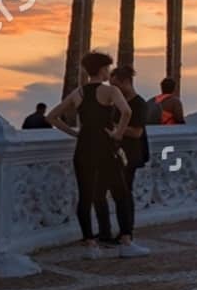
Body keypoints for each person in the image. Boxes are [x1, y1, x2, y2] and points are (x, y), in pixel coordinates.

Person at [46, 51, 139, 257]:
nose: (108, 72)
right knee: (121, 193)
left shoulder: (77, 93)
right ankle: (126, 241)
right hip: (105, 146)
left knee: (85, 196)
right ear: (102, 69)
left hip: (84, 147)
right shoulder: (110, 91)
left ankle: (90, 245)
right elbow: (127, 112)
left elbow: (52, 117)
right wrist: (117, 133)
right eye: (107, 68)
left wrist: (74, 133)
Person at [109, 66, 152, 254]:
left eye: (115, 83)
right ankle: (123, 232)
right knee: (120, 194)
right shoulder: (117, 102)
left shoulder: (138, 104)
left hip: (131, 155)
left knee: (125, 193)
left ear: (124, 81)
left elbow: (137, 132)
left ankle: (127, 233)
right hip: (118, 153)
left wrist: (115, 128)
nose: (113, 88)